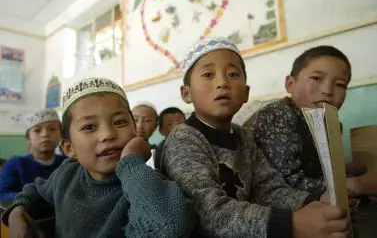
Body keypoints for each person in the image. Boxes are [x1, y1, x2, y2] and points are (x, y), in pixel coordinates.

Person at [163, 37, 353, 238]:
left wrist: (313, 202)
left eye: (233, 74)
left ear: (245, 93)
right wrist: (292, 224)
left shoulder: (244, 137)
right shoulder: (184, 139)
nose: (222, 83)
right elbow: (206, 213)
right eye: (208, 74)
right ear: (186, 93)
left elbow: (269, 189)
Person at [1, 77, 195, 238]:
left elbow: (169, 228)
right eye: (89, 127)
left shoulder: (144, 182)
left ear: (135, 132)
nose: (107, 134)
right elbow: (35, 192)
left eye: (119, 122)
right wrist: (17, 211)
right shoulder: (66, 174)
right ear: (69, 148)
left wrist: (131, 164)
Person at [252, 45, 366, 195]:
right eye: (316, 78)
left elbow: (318, 171)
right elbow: (288, 183)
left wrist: (343, 168)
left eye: (339, 84)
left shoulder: (333, 125)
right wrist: (358, 185)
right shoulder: (277, 114)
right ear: (290, 84)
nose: (327, 91)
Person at [0, 109, 65, 200]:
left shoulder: (68, 163)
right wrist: (32, 199)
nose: (45, 134)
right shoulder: (15, 164)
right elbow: (3, 195)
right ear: (28, 138)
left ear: (61, 135)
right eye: (37, 130)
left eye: (52, 129)